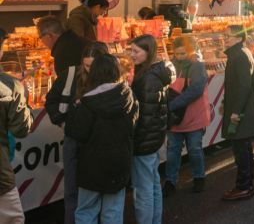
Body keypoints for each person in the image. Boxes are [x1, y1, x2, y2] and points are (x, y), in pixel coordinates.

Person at [67, 54, 138, 224]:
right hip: (120, 160)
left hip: (92, 164)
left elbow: (77, 133)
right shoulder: (128, 95)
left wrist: (74, 111)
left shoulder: (88, 102)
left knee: (86, 211)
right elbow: (133, 125)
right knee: (113, 211)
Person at [39, 16, 89, 224]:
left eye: (41, 38)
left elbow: (60, 95)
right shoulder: (78, 42)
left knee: (74, 186)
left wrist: (62, 119)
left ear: (49, 35)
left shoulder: (64, 52)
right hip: (88, 126)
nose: (41, 42)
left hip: (76, 126)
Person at [130, 35, 172, 224]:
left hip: (145, 141)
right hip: (155, 138)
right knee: (153, 183)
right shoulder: (155, 74)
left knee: (143, 189)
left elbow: (143, 118)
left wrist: (135, 142)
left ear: (148, 52)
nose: (132, 55)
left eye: (136, 51)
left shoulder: (147, 79)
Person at [164, 36, 211, 195]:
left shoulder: (198, 66)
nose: (179, 57)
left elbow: (195, 90)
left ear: (190, 51)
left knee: (195, 150)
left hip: (193, 117)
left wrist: (172, 105)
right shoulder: (169, 66)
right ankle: (170, 181)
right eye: (177, 54)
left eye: (183, 53)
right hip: (176, 119)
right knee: (172, 152)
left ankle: (199, 177)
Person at [221, 25, 254, 201]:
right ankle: (246, 185)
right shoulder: (240, 53)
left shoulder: (239, 55)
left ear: (238, 38)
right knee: (244, 149)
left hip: (242, 111)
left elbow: (244, 86)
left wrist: (235, 111)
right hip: (244, 108)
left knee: (241, 150)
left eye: (228, 35)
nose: (225, 38)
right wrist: (226, 102)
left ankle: (244, 187)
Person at [0, 28, 32, 224]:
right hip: (0, 174)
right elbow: (22, 129)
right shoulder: (10, 85)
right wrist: (24, 101)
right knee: (13, 219)